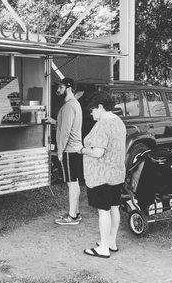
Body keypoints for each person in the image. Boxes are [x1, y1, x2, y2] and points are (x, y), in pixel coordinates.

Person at [80, 91, 126, 258]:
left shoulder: (103, 124)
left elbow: (98, 152)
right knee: (114, 208)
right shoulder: (119, 122)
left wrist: (82, 150)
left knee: (103, 211)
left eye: (92, 110)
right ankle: (111, 242)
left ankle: (103, 248)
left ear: (100, 107)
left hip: (102, 175)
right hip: (117, 173)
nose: (91, 113)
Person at [45, 78, 83, 225]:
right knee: (75, 182)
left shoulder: (68, 106)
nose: (58, 90)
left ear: (68, 88)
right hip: (75, 149)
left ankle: (72, 217)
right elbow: (67, 124)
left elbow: (65, 132)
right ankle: (76, 213)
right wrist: (54, 122)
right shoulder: (75, 104)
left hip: (69, 150)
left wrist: (60, 151)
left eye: (60, 87)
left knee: (71, 183)